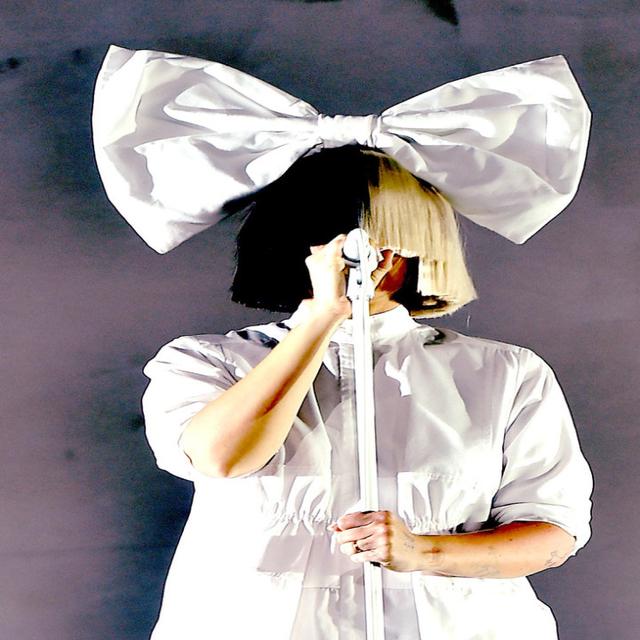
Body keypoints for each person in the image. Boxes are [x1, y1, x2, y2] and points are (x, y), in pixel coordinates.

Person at [141, 146, 593, 639]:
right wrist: (324, 315)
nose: (363, 256)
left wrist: (422, 551)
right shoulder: (204, 362)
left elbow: (552, 533)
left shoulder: (506, 372)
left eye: (385, 239)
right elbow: (221, 457)